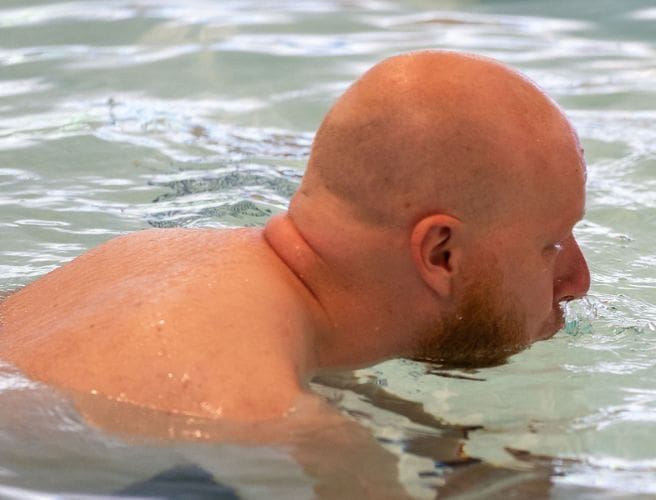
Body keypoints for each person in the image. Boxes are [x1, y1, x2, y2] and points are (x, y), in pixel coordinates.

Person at [0, 50, 591, 422]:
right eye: (553, 244)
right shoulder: (265, 426)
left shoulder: (147, 258)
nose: (578, 281)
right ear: (440, 253)